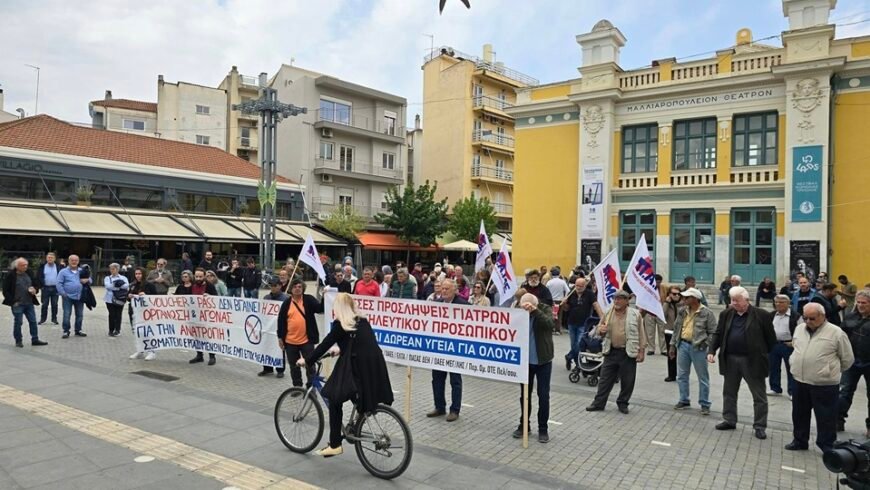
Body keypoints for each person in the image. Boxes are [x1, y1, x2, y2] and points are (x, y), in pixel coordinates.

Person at [299, 293, 393, 457]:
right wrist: (341, 349)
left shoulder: (341, 325)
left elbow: (324, 345)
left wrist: (307, 360)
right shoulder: (361, 321)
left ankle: (335, 444)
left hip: (355, 369)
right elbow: (358, 343)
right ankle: (357, 421)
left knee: (334, 399)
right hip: (373, 367)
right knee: (355, 394)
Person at [708, 286, 776, 439]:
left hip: (752, 360)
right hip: (730, 359)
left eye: (737, 301)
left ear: (746, 300)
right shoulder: (726, 314)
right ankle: (729, 419)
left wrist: (762, 354)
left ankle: (759, 425)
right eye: (732, 300)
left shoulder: (761, 315)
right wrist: (712, 350)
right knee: (729, 392)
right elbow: (718, 333)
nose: (733, 303)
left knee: (759, 395)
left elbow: (771, 339)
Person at [786, 302, 854, 452]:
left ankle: (826, 445)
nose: (808, 321)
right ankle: (800, 440)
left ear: (822, 316)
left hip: (824, 384)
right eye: (806, 318)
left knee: (826, 417)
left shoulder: (836, 332)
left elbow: (847, 359)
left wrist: (828, 370)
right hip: (800, 380)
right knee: (799, 413)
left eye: (812, 318)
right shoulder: (799, 329)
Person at [586, 290, 646, 414]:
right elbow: (598, 329)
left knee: (628, 380)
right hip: (611, 350)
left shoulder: (635, 314)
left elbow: (641, 333)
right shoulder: (608, 312)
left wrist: (641, 351)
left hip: (628, 352)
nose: (616, 301)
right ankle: (599, 403)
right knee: (604, 379)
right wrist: (600, 331)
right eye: (615, 299)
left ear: (627, 300)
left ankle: (623, 403)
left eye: (620, 299)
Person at [511, 293, 554, 443]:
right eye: (523, 306)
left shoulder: (545, 309)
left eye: (528, 306)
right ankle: (524, 425)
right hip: (525, 362)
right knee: (525, 395)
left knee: (543, 396)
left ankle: (543, 428)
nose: (525, 308)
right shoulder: (518, 311)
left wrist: (535, 311)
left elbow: (550, 324)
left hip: (543, 360)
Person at [670, 287, 718, 415]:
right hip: (683, 345)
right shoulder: (682, 311)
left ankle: (704, 403)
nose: (684, 299)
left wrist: (706, 344)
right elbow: (676, 329)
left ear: (695, 299)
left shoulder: (707, 313)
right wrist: (673, 346)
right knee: (681, 375)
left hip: (699, 348)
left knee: (703, 377)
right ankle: (684, 399)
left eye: (687, 297)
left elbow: (713, 332)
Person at [427, 279, 466, 422]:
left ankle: (455, 410)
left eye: (447, 289)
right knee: (437, 379)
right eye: (442, 288)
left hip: (455, 349)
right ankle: (439, 406)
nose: (443, 291)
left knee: (455, 381)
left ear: (455, 290)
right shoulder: (436, 304)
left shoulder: (463, 305)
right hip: (439, 348)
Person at [273, 278, 323, 381]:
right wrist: (280, 337)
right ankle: (297, 387)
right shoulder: (286, 303)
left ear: (303, 288)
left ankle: (311, 387)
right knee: (294, 367)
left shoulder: (309, 299)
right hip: (290, 342)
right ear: (291, 289)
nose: (297, 289)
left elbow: (320, 309)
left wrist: (325, 297)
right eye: (295, 287)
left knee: (310, 365)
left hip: (307, 341)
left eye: (300, 287)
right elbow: (281, 321)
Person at [837, 289, 870, 435]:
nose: (861, 305)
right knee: (844, 392)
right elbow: (841, 336)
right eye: (859, 302)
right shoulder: (850, 317)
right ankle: (838, 421)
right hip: (852, 362)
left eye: (864, 303)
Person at [3, 258, 48, 347]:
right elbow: (6, 290)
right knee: (18, 322)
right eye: (23, 265)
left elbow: (36, 284)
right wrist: (13, 302)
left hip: (29, 302)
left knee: (33, 321)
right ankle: (18, 340)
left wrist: (35, 290)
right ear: (17, 266)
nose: (25, 267)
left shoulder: (29, 273)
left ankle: (35, 339)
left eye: (26, 265)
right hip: (18, 303)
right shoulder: (11, 275)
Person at [177, 269, 218, 365]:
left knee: (208, 336)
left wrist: (210, 296)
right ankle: (199, 355)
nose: (198, 278)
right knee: (196, 335)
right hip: (194, 315)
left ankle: (212, 356)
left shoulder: (209, 286)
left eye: (200, 276)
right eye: (197, 276)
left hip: (206, 316)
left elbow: (217, 298)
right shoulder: (193, 285)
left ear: (204, 276)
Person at [561, 278, 603, 370]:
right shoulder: (571, 293)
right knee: (573, 344)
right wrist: (564, 304)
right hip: (571, 323)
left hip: (584, 323)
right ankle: (575, 361)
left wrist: (602, 318)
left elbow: (596, 305)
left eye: (581, 286)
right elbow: (566, 309)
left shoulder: (589, 294)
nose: (579, 288)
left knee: (579, 344)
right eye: (577, 286)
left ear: (585, 286)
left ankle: (571, 358)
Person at [767, 294, 799, 399]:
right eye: (776, 302)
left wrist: (794, 342)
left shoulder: (795, 316)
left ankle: (792, 391)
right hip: (774, 344)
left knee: (791, 368)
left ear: (788, 303)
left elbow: (801, 331)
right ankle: (775, 388)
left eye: (781, 302)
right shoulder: (771, 315)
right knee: (773, 367)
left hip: (789, 345)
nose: (778, 304)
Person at [56, 254, 90, 339]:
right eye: (72, 260)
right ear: (69, 261)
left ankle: (78, 330)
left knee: (80, 315)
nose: (74, 262)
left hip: (79, 296)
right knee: (67, 314)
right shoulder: (63, 272)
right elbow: (58, 283)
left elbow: (90, 279)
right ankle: (66, 331)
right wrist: (63, 293)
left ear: (78, 261)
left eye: (76, 260)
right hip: (67, 297)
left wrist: (87, 280)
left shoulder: (82, 270)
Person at [128, 267, 158, 361]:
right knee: (137, 332)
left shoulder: (150, 285)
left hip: (147, 313)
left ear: (144, 274)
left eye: (140, 274)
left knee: (148, 332)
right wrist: (129, 296)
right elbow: (128, 296)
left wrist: (146, 296)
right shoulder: (132, 284)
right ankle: (140, 350)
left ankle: (151, 351)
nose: (138, 276)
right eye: (136, 274)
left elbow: (155, 298)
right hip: (135, 312)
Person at [662, 285, 683, 382]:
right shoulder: (667, 304)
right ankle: (671, 375)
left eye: (678, 294)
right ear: (669, 294)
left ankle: (681, 374)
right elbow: (662, 315)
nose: (677, 296)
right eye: (674, 294)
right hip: (669, 332)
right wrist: (666, 302)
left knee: (682, 355)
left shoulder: (683, 304)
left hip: (681, 333)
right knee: (671, 354)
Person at [103, 263, 129, 337]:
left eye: (113, 269)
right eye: (111, 269)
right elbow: (107, 286)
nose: (112, 270)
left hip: (120, 298)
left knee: (118, 314)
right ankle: (111, 330)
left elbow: (126, 286)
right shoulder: (107, 278)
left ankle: (117, 330)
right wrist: (118, 285)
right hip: (109, 299)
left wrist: (115, 285)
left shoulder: (123, 278)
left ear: (117, 269)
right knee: (112, 315)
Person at [37, 252, 60, 325]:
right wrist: (41, 285)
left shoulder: (58, 267)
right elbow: (39, 276)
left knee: (54, 304)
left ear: (54, 259)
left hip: (55, 288)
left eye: (51, 258)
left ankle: (54, 319)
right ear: (46, 258)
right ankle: (43, 319)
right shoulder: (42, 267)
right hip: (45, 288)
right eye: (48, 257)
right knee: (44, 304)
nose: (50, 259)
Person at [546, 267, 569, 334]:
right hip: (560, 301)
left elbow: (547, 291)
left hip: (552, 300)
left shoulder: (549, 282)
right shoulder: (562, 282)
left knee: (551, 315)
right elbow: (568, 290)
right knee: (559, 315)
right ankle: (558, 330)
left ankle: (552, 329)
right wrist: (565, 298)